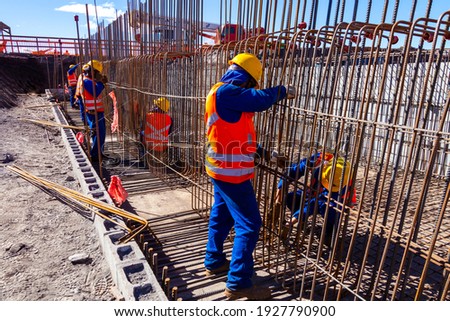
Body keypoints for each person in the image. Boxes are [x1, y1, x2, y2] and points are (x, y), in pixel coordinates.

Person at [203, 52, 296, 300]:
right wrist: (282, 90)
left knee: (222, 214)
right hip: (232, 173)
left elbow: (233, 134)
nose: (252, 89)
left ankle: (213, 260)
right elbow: (259, 100)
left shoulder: (222, 94)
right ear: (247, 80)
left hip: (219, 168)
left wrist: (265, 154)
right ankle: (238, 283)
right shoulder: (226, 93)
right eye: (252, 84)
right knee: (250, 225)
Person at [275, 151, 356, 245]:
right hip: (314, 192)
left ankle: (329, 231)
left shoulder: (344, 180)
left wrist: (293, 219)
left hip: (334, 201)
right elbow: (294, 170)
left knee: (331, 212)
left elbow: (316, 203)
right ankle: (301, 221)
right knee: (291, 198)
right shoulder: (318, 160)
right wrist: (280, 189)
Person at [75, 60, 108, 162]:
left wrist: (99, 82)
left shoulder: (88, 79)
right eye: (97, 73)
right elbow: (95, 92)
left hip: (97, 112)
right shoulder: (86, 81)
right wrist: (101, 83)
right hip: (93, 113)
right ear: (92, 71)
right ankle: (95, 155)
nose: (98, 75)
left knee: (100, 134)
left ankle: (99, 153)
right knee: (98, 134)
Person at [143, 97, 173, 168]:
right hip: (162, 147)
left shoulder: (148, 116)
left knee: (141, 133)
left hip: (149, 146)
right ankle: (160, 159)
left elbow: (143, 128)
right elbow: (169, 132)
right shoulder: (169, 119)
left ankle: (144, 158)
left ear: (156, 106)